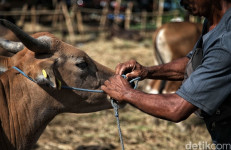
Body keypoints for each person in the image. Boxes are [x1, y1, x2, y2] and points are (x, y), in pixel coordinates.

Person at [101, 0, 231, 148]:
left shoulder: (226, 41)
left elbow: (176, 109)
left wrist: (126, 93)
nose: (182, 3)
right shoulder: (212, 22)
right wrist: (148, 71)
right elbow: (195, 62)